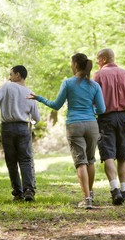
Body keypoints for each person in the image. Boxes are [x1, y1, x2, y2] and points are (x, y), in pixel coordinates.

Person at [28, 53, 106, 209]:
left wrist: (39, 98)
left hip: (74, 125)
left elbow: (56, 105)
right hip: (91, 124)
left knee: (80, 162)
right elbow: (102, 109)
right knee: (90, 160)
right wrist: (90, 109)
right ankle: (90, 193)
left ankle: (86, 199)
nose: (71, 65)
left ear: (76, 65)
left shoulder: (68, 83)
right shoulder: (94, 85)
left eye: (72, 63)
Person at [0, 65, 40, 202]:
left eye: (11, 74)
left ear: (18, 75)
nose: (9, 77)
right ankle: (29, 190)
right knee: (25, 159)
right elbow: (37, 118)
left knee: (11, 162)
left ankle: (18, 193)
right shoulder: (30, 92)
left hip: (7, 128)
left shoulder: (7, 87)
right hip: (23, 128)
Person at [93, 48, 125, 205]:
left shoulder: (98, 75)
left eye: (98, 59)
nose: (96, 62)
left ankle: (115, 190)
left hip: (106, 117)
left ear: (104, 59)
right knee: (123, 155)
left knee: (107, 154)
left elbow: (92, 97)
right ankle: (124, 190)